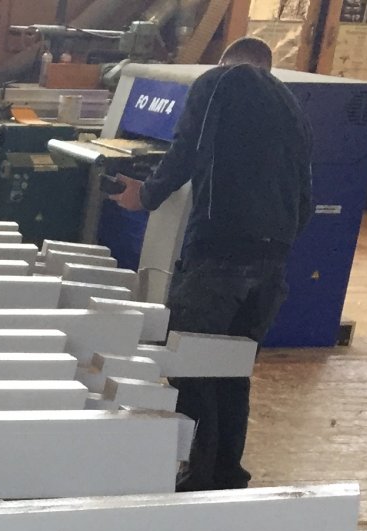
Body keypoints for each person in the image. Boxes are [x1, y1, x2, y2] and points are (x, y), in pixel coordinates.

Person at [112, 37, 314, 491]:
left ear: (224, 61)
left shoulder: (218, 83)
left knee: (192, 364)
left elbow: (186, 150)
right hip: (271, 263)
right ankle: (226, 473)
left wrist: (145, 195)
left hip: (219, 255)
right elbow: (305, 199)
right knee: (233, 370)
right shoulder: (292, 107)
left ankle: (196, 475)